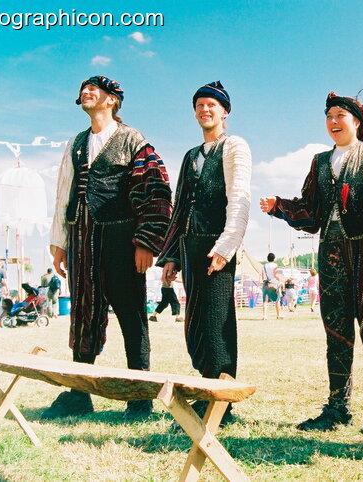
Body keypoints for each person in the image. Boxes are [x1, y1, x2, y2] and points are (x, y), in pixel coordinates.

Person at [260, 92, 363, 434]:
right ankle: (338, 408)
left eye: (340, 115)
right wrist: (279, 206)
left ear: (356, 121)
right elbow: (311, 211)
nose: (333, 121)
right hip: (329, 254)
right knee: (336, 332)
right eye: (329, 116)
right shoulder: (320, 161)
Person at [45, 75, 172, 420]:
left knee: (132, 316)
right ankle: (79, 394)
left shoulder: (132, 139)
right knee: (83, 313)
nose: (86, 92)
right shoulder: (75, 143)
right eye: (83, 89)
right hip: (82, 238)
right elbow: (63, 194)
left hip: (122, 238)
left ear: (112, 100)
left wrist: (147, 241)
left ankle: (140, 397)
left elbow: (156, 188)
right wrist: (59, 242)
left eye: (94, 89)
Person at [157, 81, 251, 423]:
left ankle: (222, 401)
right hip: (189, 245)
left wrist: (226, 246)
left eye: (212, 105)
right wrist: (170, 256)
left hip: (217, 243)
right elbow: (180, 206)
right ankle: (207, 389)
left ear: (224, 112)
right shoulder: (190, 156)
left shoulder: (234, 146)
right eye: (199, 105)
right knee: (196, 324)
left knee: (217, 323)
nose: (205, 110)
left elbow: (239, 199)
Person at [261, 253, 282, 320]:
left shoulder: (264, 266)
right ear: (274, 258)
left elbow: (262, 275)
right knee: (277, 300)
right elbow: (276, 274)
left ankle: (264, 316)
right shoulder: (275, 265)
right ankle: (278, 315)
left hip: (266, 283)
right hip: (274, 283)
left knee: (265, 301)